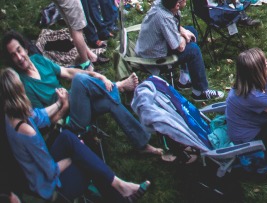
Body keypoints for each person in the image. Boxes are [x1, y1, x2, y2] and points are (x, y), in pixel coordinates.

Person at [2, 31, 161, 158]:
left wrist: (96, 75)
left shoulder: (37, 60)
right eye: (13, 55)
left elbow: (67, 71)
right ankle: (117, 86)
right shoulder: (22, 84)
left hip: (77, 104)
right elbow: (44, 122)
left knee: (108, 101)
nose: (19, 57)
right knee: (79, 81)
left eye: (19, 50)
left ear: (25, 48)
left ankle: (142, 144)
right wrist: (62, 106)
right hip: (67, 122)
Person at [2, 69, 150, 202]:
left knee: (68, 137)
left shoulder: (11, 115)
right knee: (86, 159)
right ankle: (121, 191)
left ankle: (121, 190)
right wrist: (74, 155)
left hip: (41, 168)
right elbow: (49, 172)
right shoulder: (27, 132)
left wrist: (61, 103)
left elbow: (39, 116)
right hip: (46, 185)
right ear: (20, 93)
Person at [135, 0, 223, 101]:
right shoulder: (164, 17)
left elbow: (173, 25)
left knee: (191, 31)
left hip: (150, 45)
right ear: (177, 5)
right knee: (193, 50)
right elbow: (179, 46)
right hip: (154, 56)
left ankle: (184, 80)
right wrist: (183, 37)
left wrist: (182, 31)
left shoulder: (162, 1)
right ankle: (200, 92)